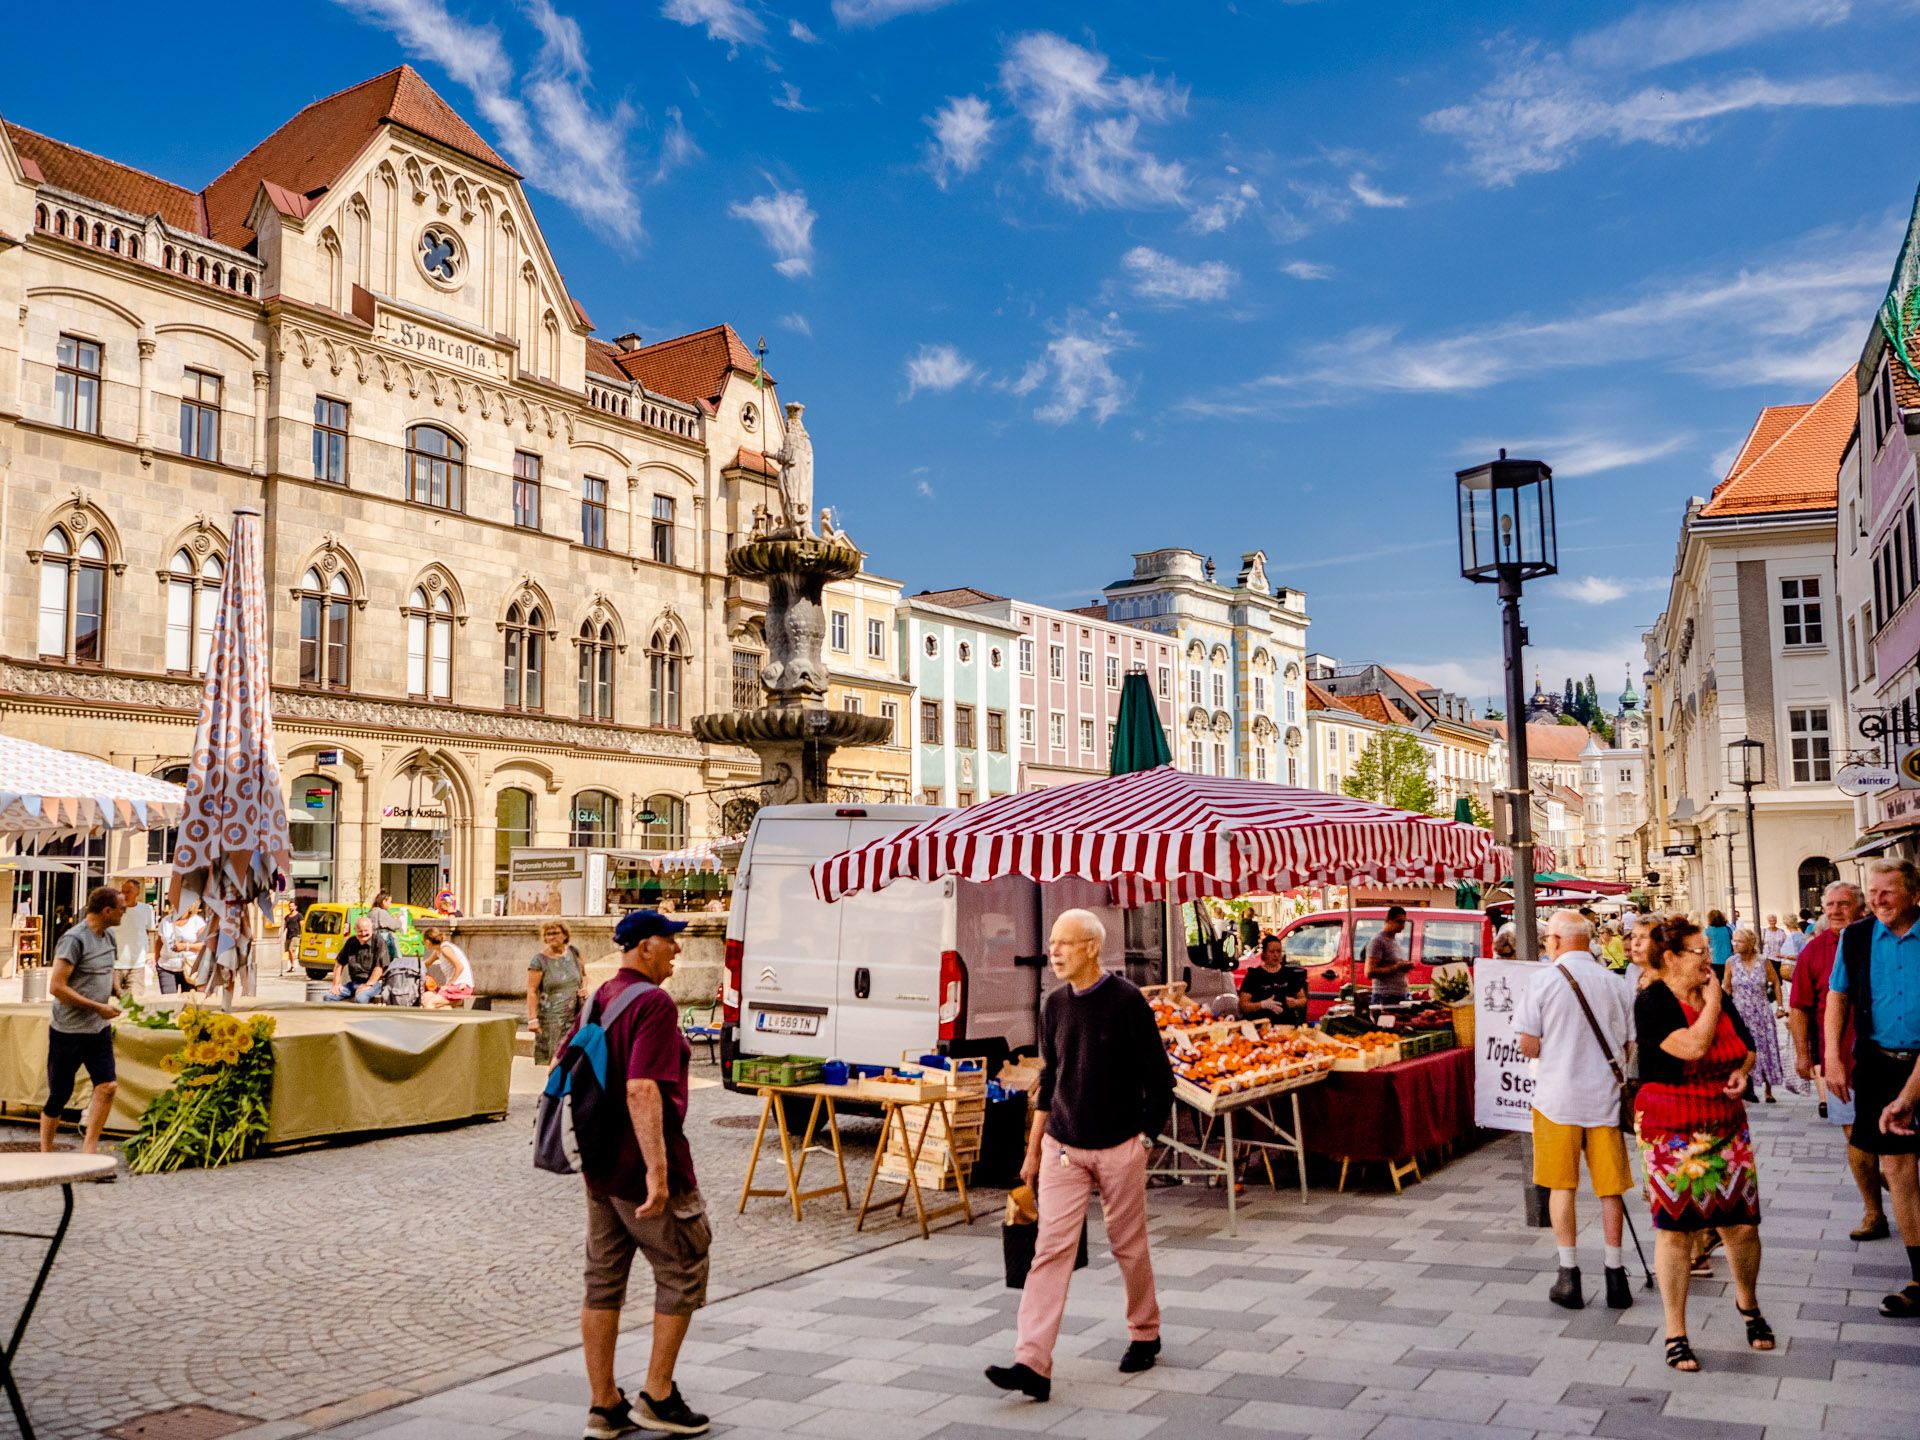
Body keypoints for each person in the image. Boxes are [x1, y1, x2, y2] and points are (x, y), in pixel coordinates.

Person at [986, 909, 1173, 1402]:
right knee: (1049, 1251)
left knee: (1127, 1246)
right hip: (1063, 1148)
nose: (1055, 952)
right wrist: (1032, 1153)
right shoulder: (1053, 1005)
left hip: (1119, 1147)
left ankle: (1144, 1331)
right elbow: (1050, 1082)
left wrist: (1145, 1140)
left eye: (1064, 943)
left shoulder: (1127, 1002)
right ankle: (1033, 1361)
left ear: (1091, 946)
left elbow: (1160, 1081)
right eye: (1052, 943)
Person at [577, 908, 710, 1438]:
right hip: (643, 1165)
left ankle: (603, 1405)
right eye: (668, 940)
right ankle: (656, 1394)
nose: (677, 949)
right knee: (683, 1267)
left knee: (603, 1278)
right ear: (642, 947)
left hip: (600, 1164)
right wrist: (658, 1173)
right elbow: (641, 1087)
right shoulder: (653, 1002)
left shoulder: (600, 996)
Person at [1635, 917, 1769, 1370]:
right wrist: (1711, 1002)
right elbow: (1693, 1047)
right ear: (1671, 958)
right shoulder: (1652, 1001)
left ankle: (1747, 1304)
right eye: (1698, 951)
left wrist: (1742, 1073)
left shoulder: (1716, 991)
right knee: (1675, 1229)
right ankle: (1676, 1331)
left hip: (1726, 1123)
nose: (1707, 958)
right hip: (1671, 1128)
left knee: (1742, 1224)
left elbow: (1748, 1046)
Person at [1514, 911, 1636, 1310]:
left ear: (1557, 941)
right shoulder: (1614, 983)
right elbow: (1630, 1047)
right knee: (1610, 1189)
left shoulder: (1543, 982)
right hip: (1604, 1099)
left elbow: (1528, 1046)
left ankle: (1569, 1277)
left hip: (1556, 1099)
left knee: (1562, 1186)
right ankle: (1615, 1276)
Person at [1825, 859, 1920, 1318]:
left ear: (1914, 894)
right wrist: (1833, 1057)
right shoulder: (1857, 937)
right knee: (1899, 1170)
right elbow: (1837, 995)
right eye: (1874, 891)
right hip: (1880, 1063)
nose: (1878, 899)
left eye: (1889, 891)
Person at [1787, 881, 1883, 1239]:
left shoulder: (1878, 940)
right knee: (1856, 1137)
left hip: (1887, 1058)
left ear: (1861, 908)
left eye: (1844, 904)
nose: (1835, 910)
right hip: (1840, 1060)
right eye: (1829, 905)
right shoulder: (1814, 951)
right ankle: (1874, 1211)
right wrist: (1803, 1054)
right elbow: (1799, 1007)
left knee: (1895, 1141)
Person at [40, 885, 125, 1158]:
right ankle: (45, 1153)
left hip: (97, 1029)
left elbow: (108, 968)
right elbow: (56, 987)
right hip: (68, 1030)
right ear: (107, 910)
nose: (126, 911)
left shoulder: (109, 936)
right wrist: (97, 1006)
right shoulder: (74, 939)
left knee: (108, 1085)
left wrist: (116, 990)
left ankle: (89, 1151)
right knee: (59, 1096)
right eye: (122, 908)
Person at [1728, 927, 1789, 1103]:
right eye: (1734, 941)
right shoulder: (1731, 962)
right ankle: (1748, 1086)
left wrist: (1780, 1006)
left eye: (1739, 941)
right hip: (1740, 1013)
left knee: (1765, 1049)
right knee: (1744, 1049)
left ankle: (1768, 1089)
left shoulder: (1763, 961)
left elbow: (1776, 983)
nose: (1735, 944)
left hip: (1761, 1012)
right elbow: (1726, 987)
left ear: (1749, 943)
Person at [526, 919, 585, 1064]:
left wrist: (584, 989)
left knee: (574, 1060)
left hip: (574, 1016)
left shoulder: (574, 952)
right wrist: (532, 1019)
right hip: (551, 1020)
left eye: (556, 933)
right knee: (554, 1060)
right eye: (548, 934)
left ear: (565, 935)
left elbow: (583, 975)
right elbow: (532, 990)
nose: (552, 937)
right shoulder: (539, 961)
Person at [1237, 934, 1307, 1024]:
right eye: (1272, 952)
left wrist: (1295, 1003)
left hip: (1287, 1026)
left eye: (1279, 951)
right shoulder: (1254, 975)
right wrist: (1262, 1005)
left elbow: (1303, 999)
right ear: (1264, 954)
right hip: (1260, 1026)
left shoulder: (1290, 974)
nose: (1276, 955)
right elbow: (1243, 1005)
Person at [322, 916, 385, 1003]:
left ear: (371, 930)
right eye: (360, 931)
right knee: (328, 997)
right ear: (355, 931)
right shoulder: (351, 942)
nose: (363, 933)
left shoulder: (378, 941)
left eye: (366, 931)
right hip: (353, 983)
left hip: (373, 983)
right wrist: (335, 985)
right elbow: (339, 963)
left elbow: (379, 966)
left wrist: (368, 985)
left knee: (360, 999)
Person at [111, 878, 155, 998]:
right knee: (111, 1004)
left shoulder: (147, 910)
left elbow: (149, 932)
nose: (124, 895)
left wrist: (149, 955)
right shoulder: (114, 910)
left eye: (128, 891)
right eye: (122, 891)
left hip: (137, 965)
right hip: (115, 965)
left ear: (138, 892)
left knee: (135, 1002)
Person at [1363, 906, 1412, 1010]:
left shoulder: (1395, 941)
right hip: (1384, 997)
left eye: (1404, 922)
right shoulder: (1378, 941)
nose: (1402, 926)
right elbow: (1369, 972)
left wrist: (1404, 966)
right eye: (1399, 922)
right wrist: (1396, 967)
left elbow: (1393, 963)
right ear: (1388, 920)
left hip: (1397, 996)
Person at [158, 899, 207, 995]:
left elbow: (204, 945)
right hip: (167, 967)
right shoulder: (166, 921)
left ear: (190, 907)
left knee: (189, 1002)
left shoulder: (197, 921)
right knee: (169, 1003)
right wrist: (157, 961)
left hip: (190, 968)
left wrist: (186, 946)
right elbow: (159, 942)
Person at [420, 926, 473, 1008]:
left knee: (430, 1004)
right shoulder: (438, 951)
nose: (423, 944)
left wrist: (450, 984)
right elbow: (426, 964)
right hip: (455, 986)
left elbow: (459, 966)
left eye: (422, 942)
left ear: (427, 942)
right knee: (425, 998)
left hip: (461, 986)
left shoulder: (445, 949)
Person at [1704, 910, 1734, 980]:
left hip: (1715, 960)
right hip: (1728, 960)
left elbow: (1705, 945)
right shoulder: (1727, 929)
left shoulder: (1708, 930)